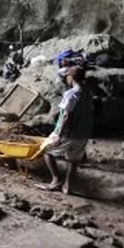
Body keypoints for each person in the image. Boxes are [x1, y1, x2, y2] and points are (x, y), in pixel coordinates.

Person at [39, 66, 93, 194]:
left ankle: (56, 180)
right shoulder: (88, 92)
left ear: (71, 77)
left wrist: (59, 134)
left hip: (69, 132)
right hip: (83, 132)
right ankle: (67, 186)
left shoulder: (72, 94)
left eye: (67, 76)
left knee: (47, 151)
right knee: (73, 159)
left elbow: (66, 115)